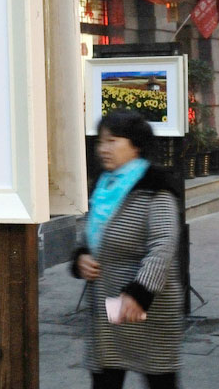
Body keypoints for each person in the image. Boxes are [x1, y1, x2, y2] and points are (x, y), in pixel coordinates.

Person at [72, 110, 183, 389]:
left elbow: (163, 245)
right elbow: (91, 230)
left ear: (135, 145)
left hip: (144, 303)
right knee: (107, 372)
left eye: (112, 141)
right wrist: (81, 256)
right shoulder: (104, 184)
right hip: (108, 300)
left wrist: (140, 292)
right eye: (101, 141)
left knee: (158, 376)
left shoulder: (155, 187)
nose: (103, 149)